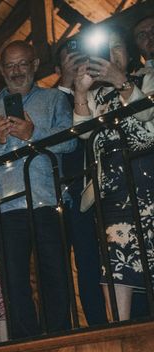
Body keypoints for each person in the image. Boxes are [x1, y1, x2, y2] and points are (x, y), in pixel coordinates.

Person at [0, 40, 77, 338]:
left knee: (53, 273)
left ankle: (60, 337)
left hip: (46, 201)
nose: (16, 71)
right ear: (1, 70)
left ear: (35, 64)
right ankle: (25, 341)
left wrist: (34, 134)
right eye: (10, 66)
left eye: (22, 64)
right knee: (13, 280)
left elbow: (70, 140)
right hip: (5, 206)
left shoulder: (54, 99)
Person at [73, 25, 154, 321]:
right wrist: (81, 92)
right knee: (116, 257)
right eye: (103, 49)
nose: (109, 54)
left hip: (148, 179)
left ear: (128, 52)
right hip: (112, 187)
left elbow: (147, 114)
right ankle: (118, 328)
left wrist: (121, 81)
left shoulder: (145, 78)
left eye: (116, 47)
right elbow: (83, 134)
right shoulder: (99, 96)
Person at [55, 44, 107, 326]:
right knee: (67, 264)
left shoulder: (94, 94)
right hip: (60, 192)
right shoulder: (51, 98)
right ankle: (74, 326)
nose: (76, 62)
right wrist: (65, 82)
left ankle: (104, 321)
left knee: (94, 260)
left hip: (90, 185)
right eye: (68, 58)